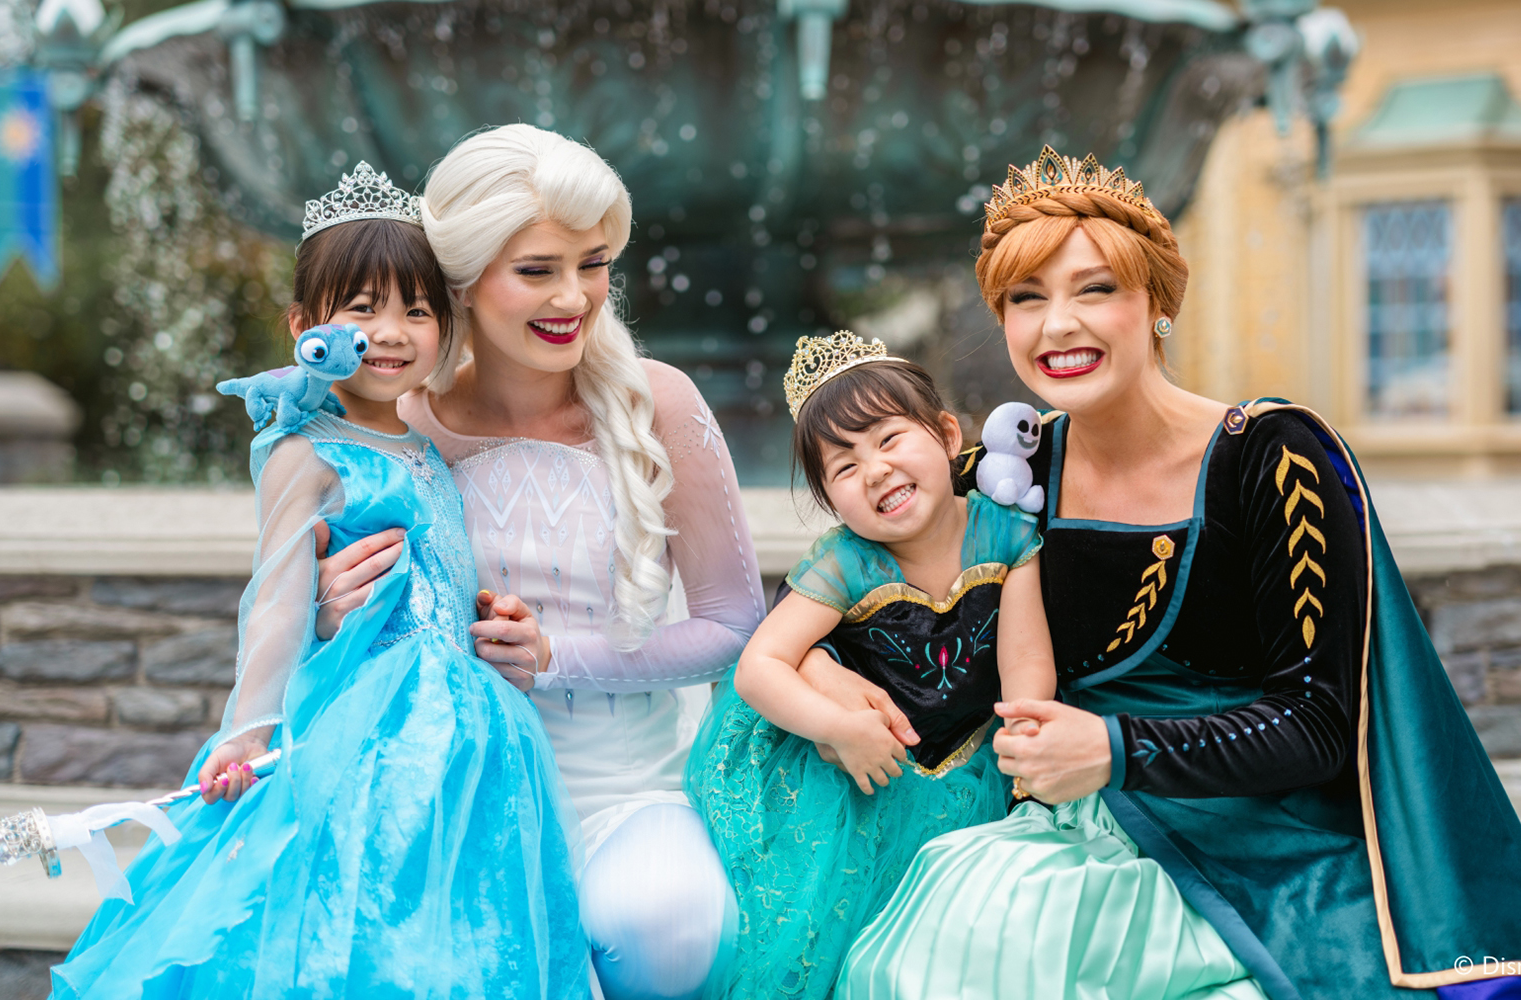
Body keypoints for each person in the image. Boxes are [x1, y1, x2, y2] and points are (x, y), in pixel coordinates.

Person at [835, 146, 1521, 999]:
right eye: (1026, 299)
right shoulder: (1007, 474)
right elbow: (850, 596)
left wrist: (1114, 748)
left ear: (1157, 304)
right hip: (1071, 830)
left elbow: (1317, 725)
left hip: (1265, 845)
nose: (1056, 325)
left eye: (1094, 290)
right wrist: (825, 686)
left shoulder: (1274, 458)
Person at [52, 163, 590, 998]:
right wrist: (249, 730)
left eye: (417, 311)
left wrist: (488, 609)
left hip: (473, 726)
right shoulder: (305, 450)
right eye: (362, 308)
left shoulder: (423, 444)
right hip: (374, 723)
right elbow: (276, 597)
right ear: (305, 325)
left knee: (458, 924)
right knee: (361, 918)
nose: (391, 332)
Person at [313, 125, 765, 1000]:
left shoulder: (659, 402)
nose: (575, 296)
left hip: (626, 789)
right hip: (454, 786)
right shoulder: (397, 425)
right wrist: (331, 613)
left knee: (668, 929)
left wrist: (556, 658)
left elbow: (734, 627)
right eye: (537, 270)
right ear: (462, 280)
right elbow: (334, 629)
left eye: (593, 264)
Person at [683, 334, 1051, 999]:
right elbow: (759, 666)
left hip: (977, 761)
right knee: (833, 936)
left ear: (947, 436)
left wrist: (1028, 758)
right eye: (845, 467)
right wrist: (838, 727)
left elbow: (1025, 660)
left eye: (889, 439)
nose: (876, 470)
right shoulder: (846, 560)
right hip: (858, 778)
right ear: (830, 500)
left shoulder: (1006, 534)